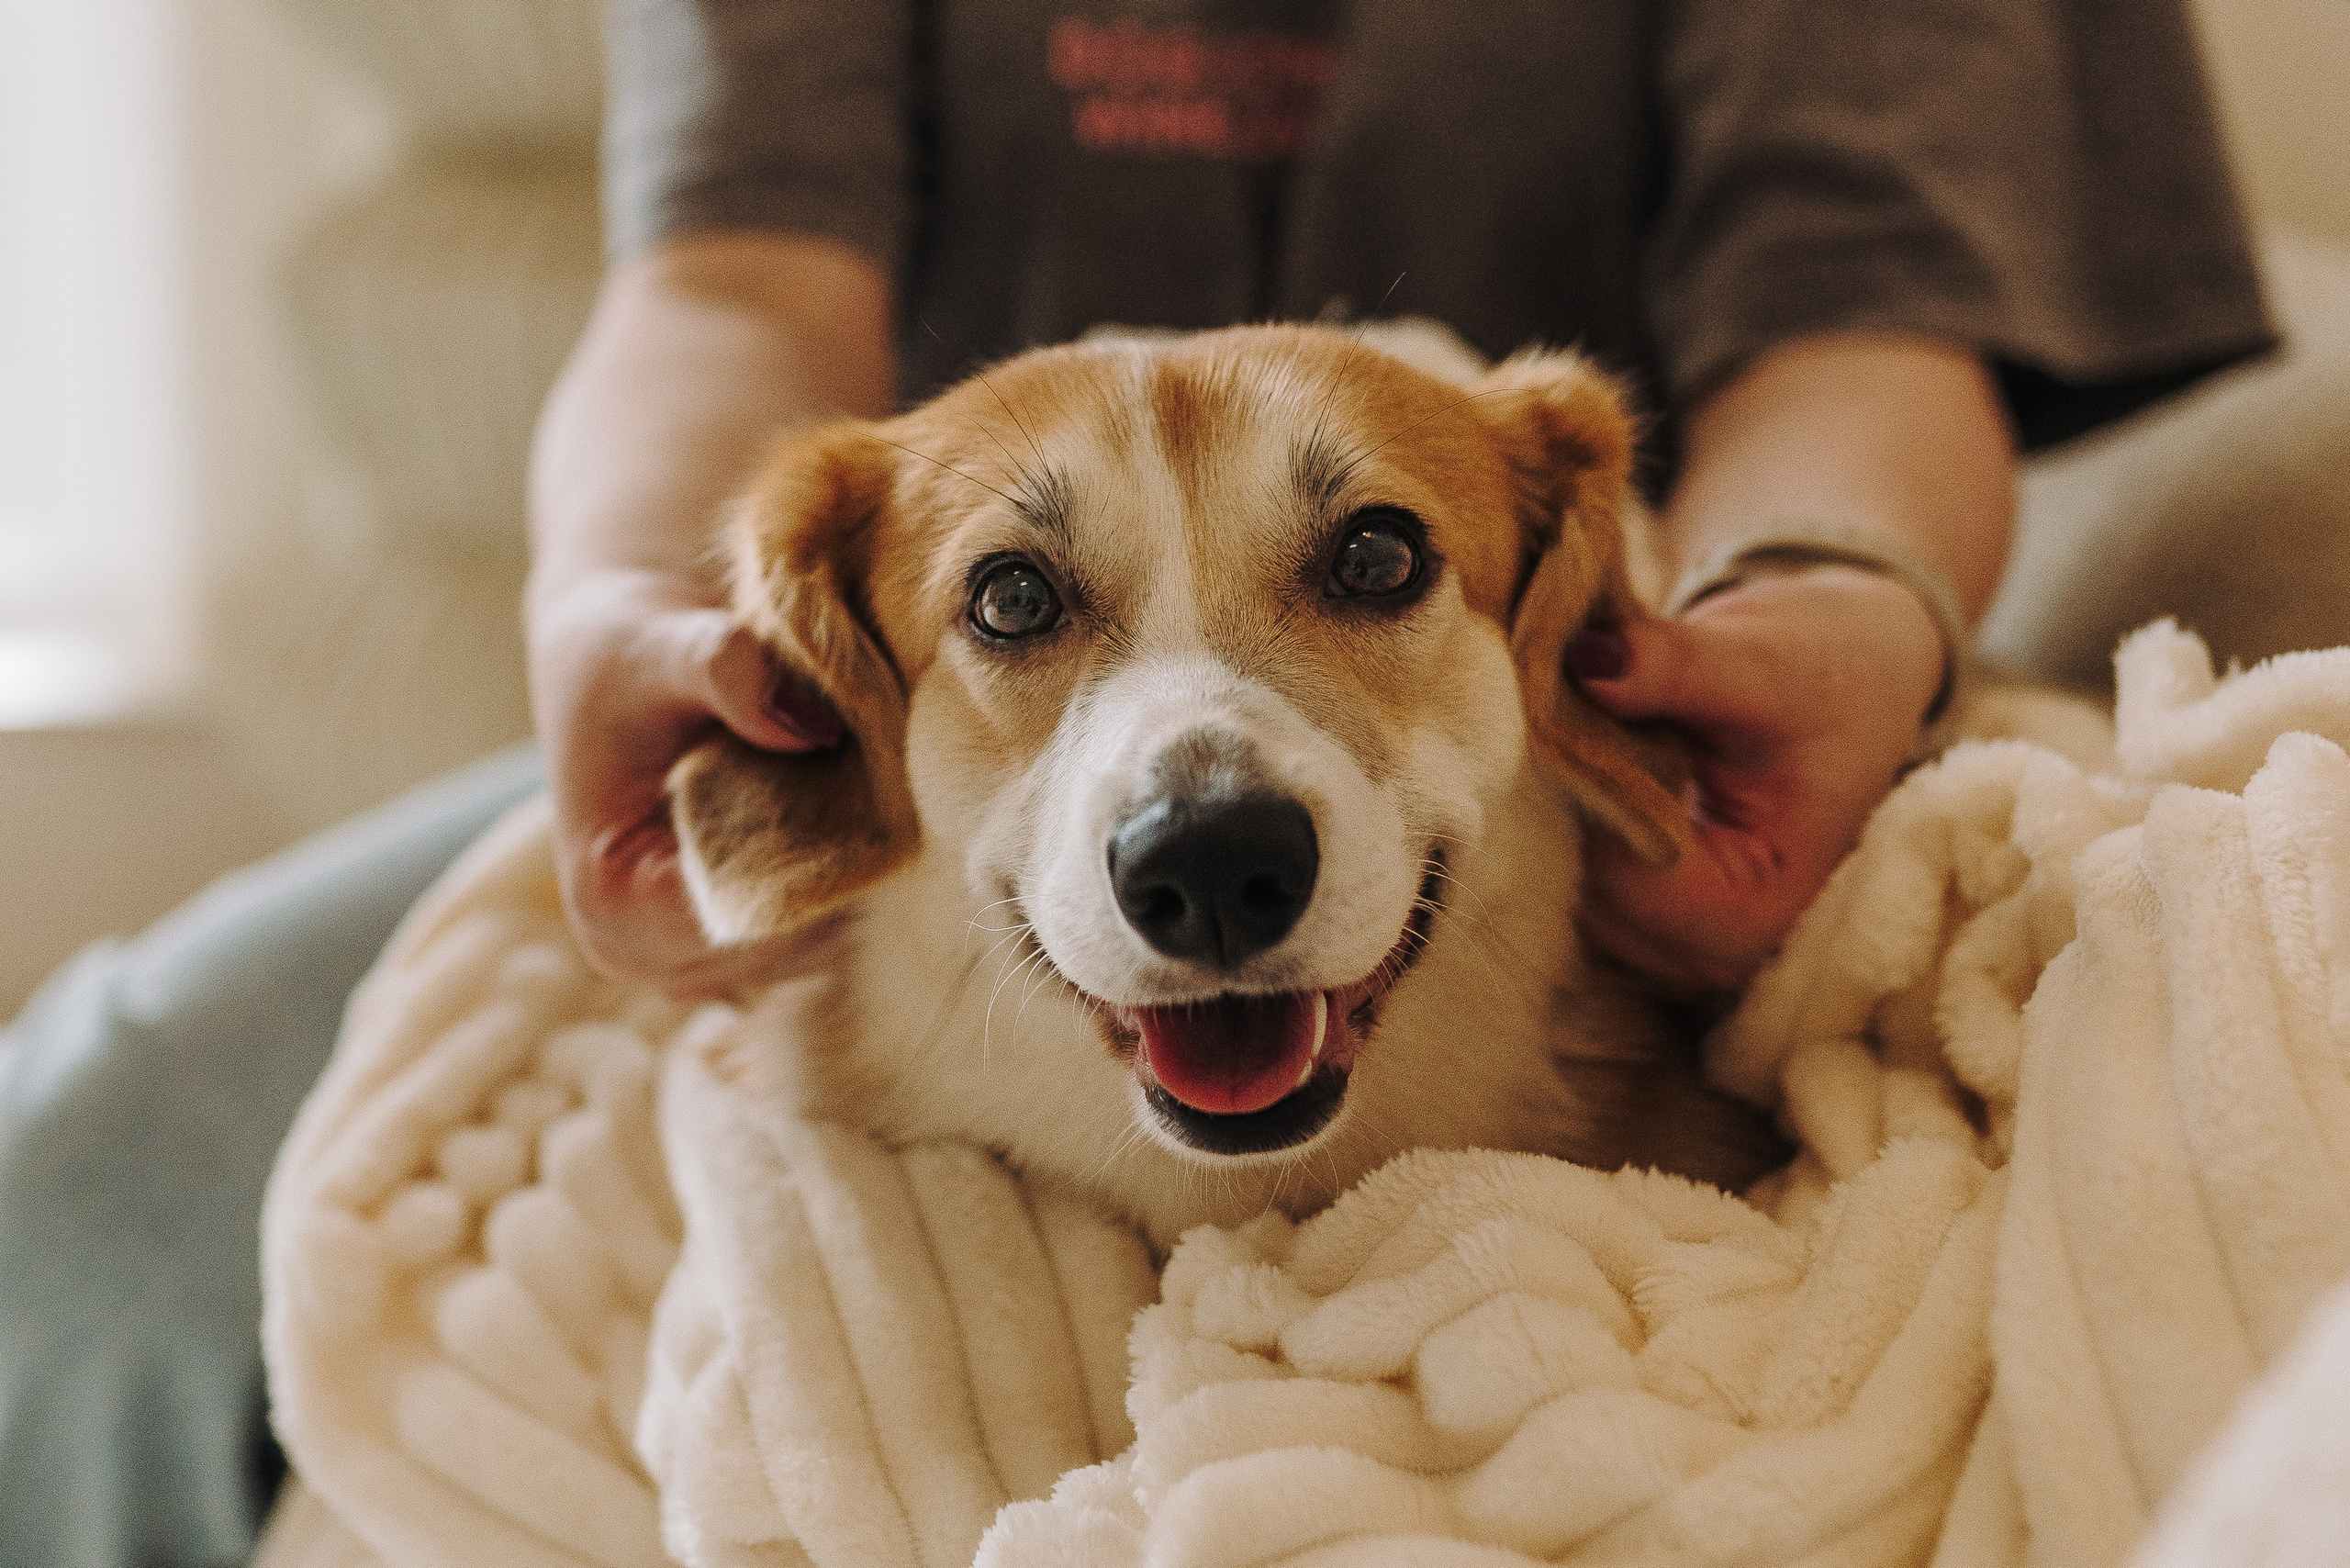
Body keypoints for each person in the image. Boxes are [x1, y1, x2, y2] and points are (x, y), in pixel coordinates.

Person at [0, 1, 2274, 1563]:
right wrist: (627, 604)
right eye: (1028, 600)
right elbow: (733, 281)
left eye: (1359, 560)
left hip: (1641, 663)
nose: (1206, 791)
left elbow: (1864, 324)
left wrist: (1817, 603)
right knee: (79, 1177)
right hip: (855, 736)